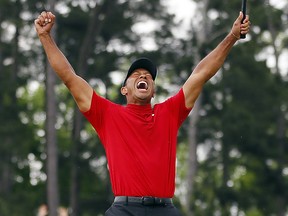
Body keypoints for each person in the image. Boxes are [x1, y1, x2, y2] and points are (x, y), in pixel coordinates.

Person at [34, 10, 250, 216]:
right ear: (124, 89)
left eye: (148, 76)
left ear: (153, 90)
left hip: (165, 210)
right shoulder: (107, 115)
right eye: (136, 74)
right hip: (124, 210)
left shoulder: (170, 112)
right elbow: (69, 77)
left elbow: (201, 73)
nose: (144, 77)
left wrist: (232, 35)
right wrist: (45, 37)